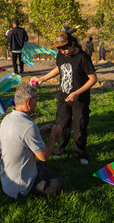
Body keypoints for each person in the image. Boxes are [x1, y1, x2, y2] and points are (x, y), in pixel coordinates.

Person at [32, 30, 97, 165]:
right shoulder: (61, 55)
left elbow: (93, 79)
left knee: (80, 126)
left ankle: (80, 153)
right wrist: (42, 78)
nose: (63, 51)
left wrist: (76, 93)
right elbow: (58, 69)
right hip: (63, 97)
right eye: (60, 49)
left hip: (80, 99)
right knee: (62, 124)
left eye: (65, 48)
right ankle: (60, 149)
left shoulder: (83, 57)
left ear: (73, 44)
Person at [0, 84, 65, 198]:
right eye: (36, 99)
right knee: (59, 184)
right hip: (20, 187)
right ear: (28, 103)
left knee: (41, 168)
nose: (37, 102)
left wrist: (40, 131)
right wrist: (54, 134)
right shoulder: (28, 126)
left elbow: (20, 137)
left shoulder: (7, 118)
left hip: (7, 181)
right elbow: (43, 156)